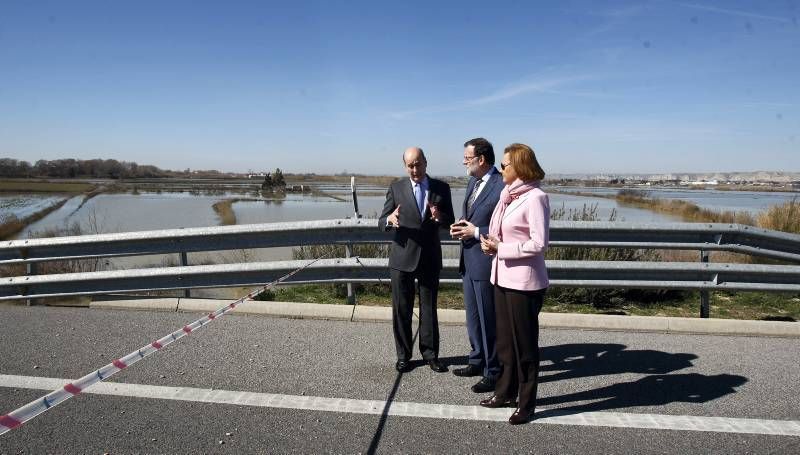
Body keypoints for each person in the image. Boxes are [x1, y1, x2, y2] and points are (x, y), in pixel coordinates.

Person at [479, 143, 549, 425]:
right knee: (506, 343)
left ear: (518, 167)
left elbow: (539, 243)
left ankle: (527, 402)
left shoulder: (535, 198)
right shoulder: (508, 196)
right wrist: (491, 245)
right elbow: (502, 234)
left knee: (525, 347)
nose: (500, 169)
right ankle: (505, 392)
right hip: (502, 277)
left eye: (505, 165)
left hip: (524, 284)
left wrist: (502, 248)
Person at [378, 147, 455, 373]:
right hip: (402, 258)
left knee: (429, 309)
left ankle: (431, 355)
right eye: (410, 165)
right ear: (405, 165)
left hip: (429, 257)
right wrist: (390, 220)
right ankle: (403, 356)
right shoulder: (396, 187)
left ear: (425, 162)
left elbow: (450, 220)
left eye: (418, 164)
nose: (414, 169)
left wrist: (439, 217)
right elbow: (382, 221)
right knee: (401, 309)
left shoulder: (442, 188)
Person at [449, 138, 504, 393]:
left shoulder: (501, 184)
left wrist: (475, 231)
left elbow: (505, 226)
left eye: (467, 158)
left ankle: (493, 371)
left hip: (485, 261)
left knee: (488, 319)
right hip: (468, 261)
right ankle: (477, 359)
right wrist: (461, 225)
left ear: (481, 159)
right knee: (472, 317)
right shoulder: (473, 181)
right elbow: (471, 215)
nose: (463, 162)